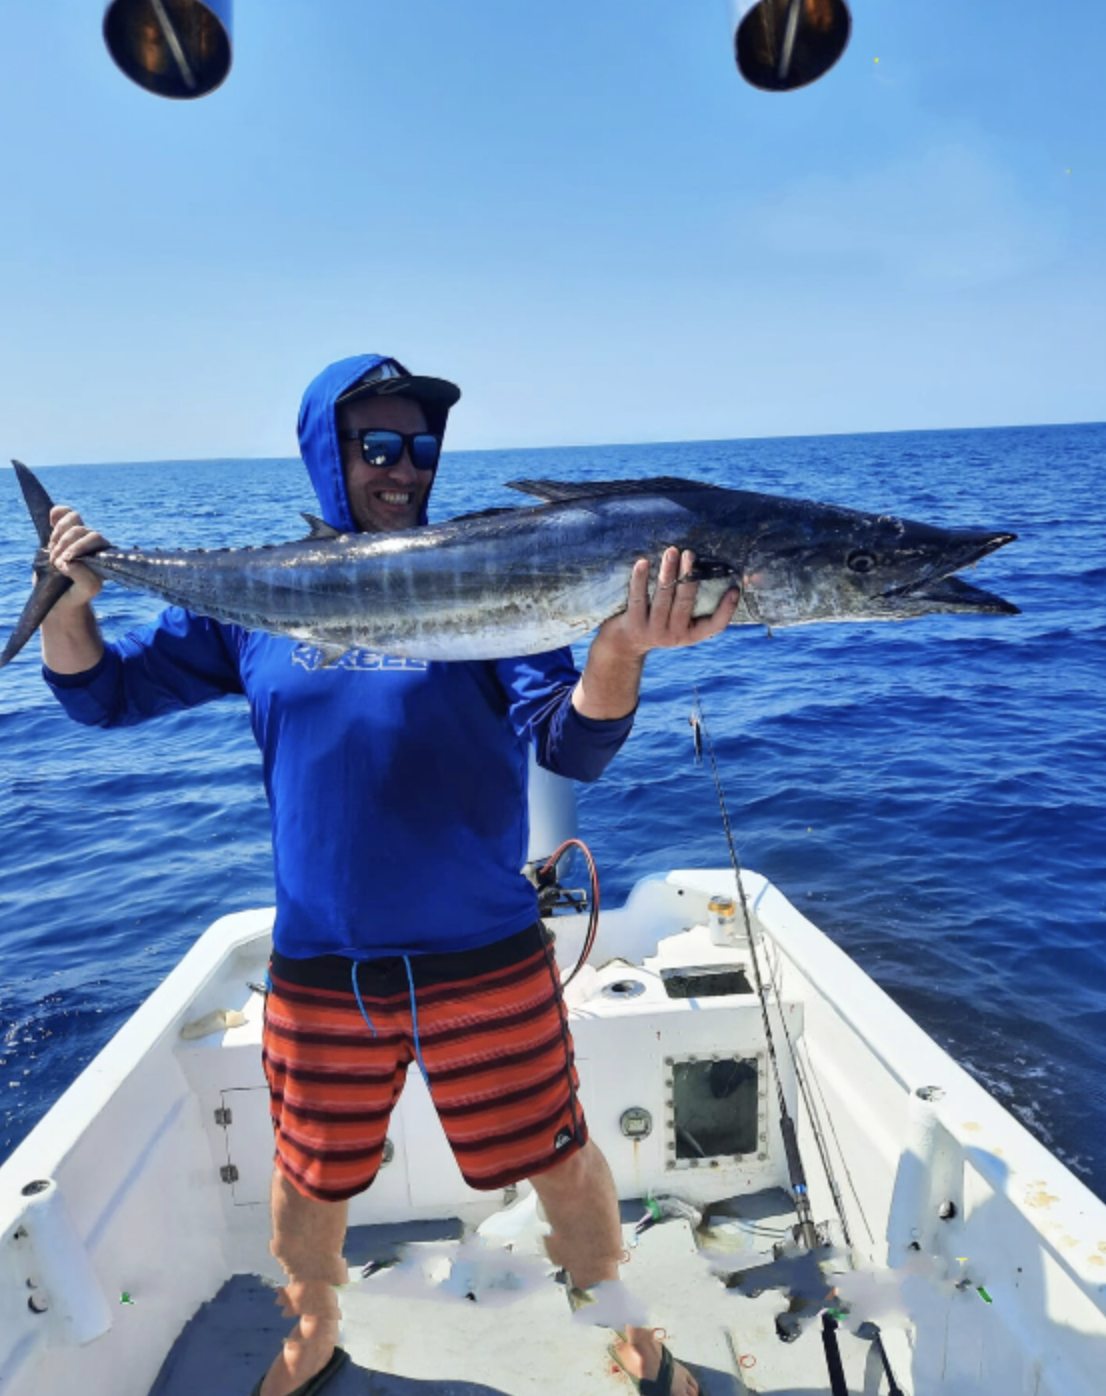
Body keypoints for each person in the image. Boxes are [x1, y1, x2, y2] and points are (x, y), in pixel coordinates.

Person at [40, 353, 740, 1396]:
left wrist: (620, 653)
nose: (402, 467)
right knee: (311, 1174)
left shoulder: (495, 573)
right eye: (376, 444)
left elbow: (570, 744)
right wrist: (67, 599)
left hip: (485, 954)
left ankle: (627, 1332)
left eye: (418, 447)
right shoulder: (257, 597)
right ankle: (311, 1325)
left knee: (561, 1158)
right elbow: (101, 696)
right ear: (328, 450)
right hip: (325, 966)